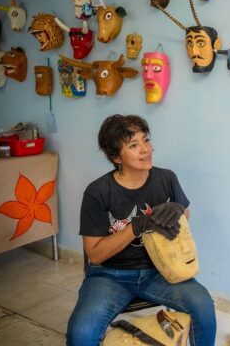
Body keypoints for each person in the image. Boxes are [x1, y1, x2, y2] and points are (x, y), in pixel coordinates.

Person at [67, 114, 216, 346]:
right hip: (110, 276)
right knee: (81, 333)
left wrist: (178, 210)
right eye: (133, 145)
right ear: (116, 157)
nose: (145, 149)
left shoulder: (166, 178)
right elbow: (95, 254)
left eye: (146, 140)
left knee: (203, 306)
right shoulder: (98, 192)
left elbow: (185, 214)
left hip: (161, 271)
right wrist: (136, 226)